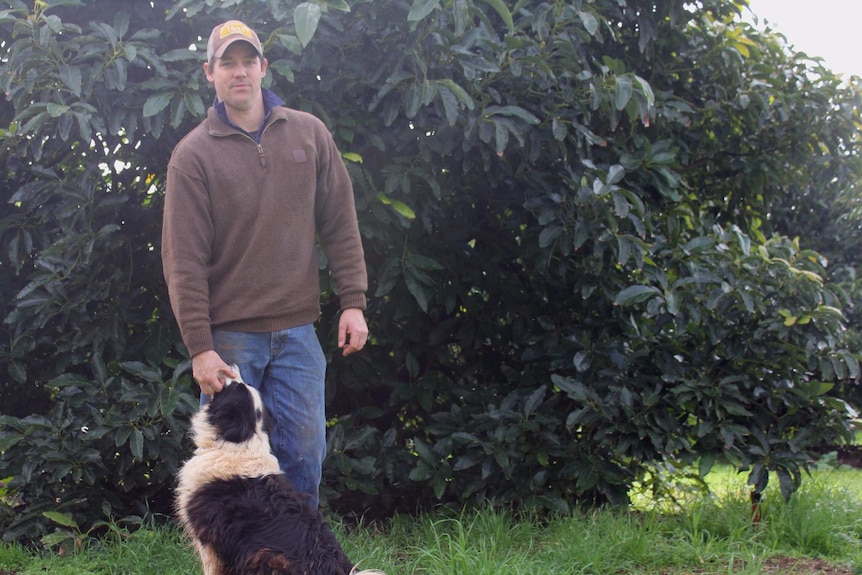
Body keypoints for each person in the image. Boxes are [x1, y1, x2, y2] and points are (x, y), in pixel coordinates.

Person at [161, 19, 369, 508]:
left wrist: (353, 302)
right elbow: (183, 261)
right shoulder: (192, 156)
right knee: (230, 475)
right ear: (209, 73)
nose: (239, 72)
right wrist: (200, 348)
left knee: (304, 460)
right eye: (226, 63)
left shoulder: (309, 133)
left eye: (247, 61)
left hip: (299, 333)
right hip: (231, 345)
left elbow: (340, 222)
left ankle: (294, 559)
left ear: (263, 68)